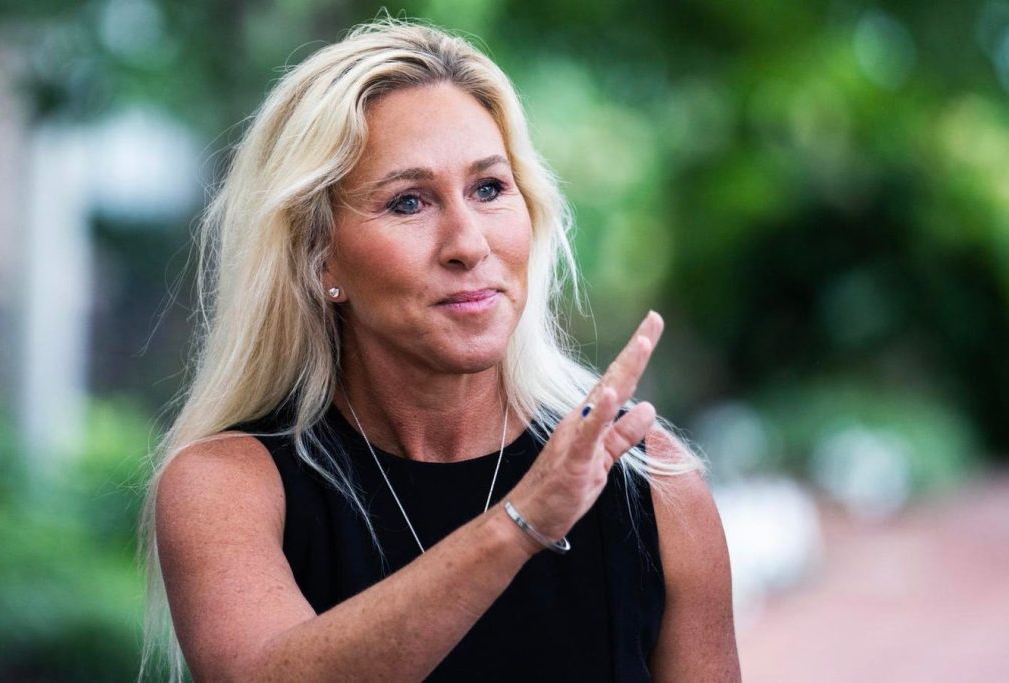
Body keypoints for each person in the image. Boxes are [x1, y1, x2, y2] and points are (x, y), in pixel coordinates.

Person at [140, 18, 740, 682]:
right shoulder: (228, 484)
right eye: (408, 203)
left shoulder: (653, 486)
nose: (468, 244)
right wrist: (521, 523)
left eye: (489, 189)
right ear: (318, 258)